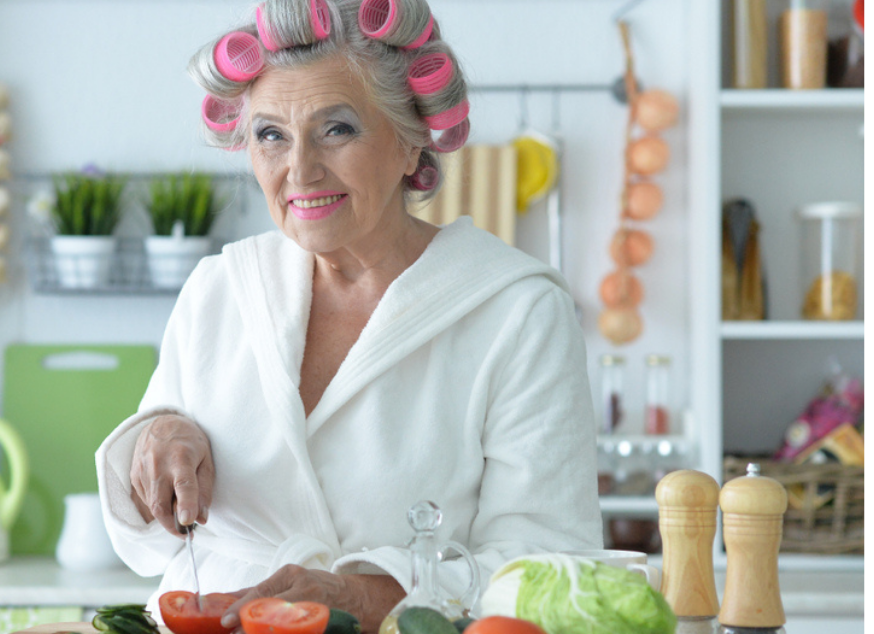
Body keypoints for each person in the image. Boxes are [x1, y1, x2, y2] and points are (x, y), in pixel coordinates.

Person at [95, 0, 601, 629]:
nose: (299, 170)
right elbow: (150, 543)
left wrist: (360, 597)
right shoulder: (221, 287)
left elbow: (552, 566)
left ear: (409, 138)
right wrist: (160, 437)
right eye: (270, 134)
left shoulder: (517, 311)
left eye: (337, 129)